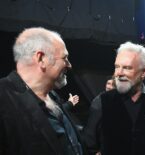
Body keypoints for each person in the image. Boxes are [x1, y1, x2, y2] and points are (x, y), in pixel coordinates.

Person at [0, 27, 83, 155]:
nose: (69, 65)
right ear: (41, 59)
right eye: (65, 58)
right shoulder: (4, 99)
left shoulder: (53, 95)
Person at [82, 41, 145, 155]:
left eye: (127, 68)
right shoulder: (101, 102)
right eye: (117, 67)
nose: (119, 73)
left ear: (144, 72)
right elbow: (88, 145)